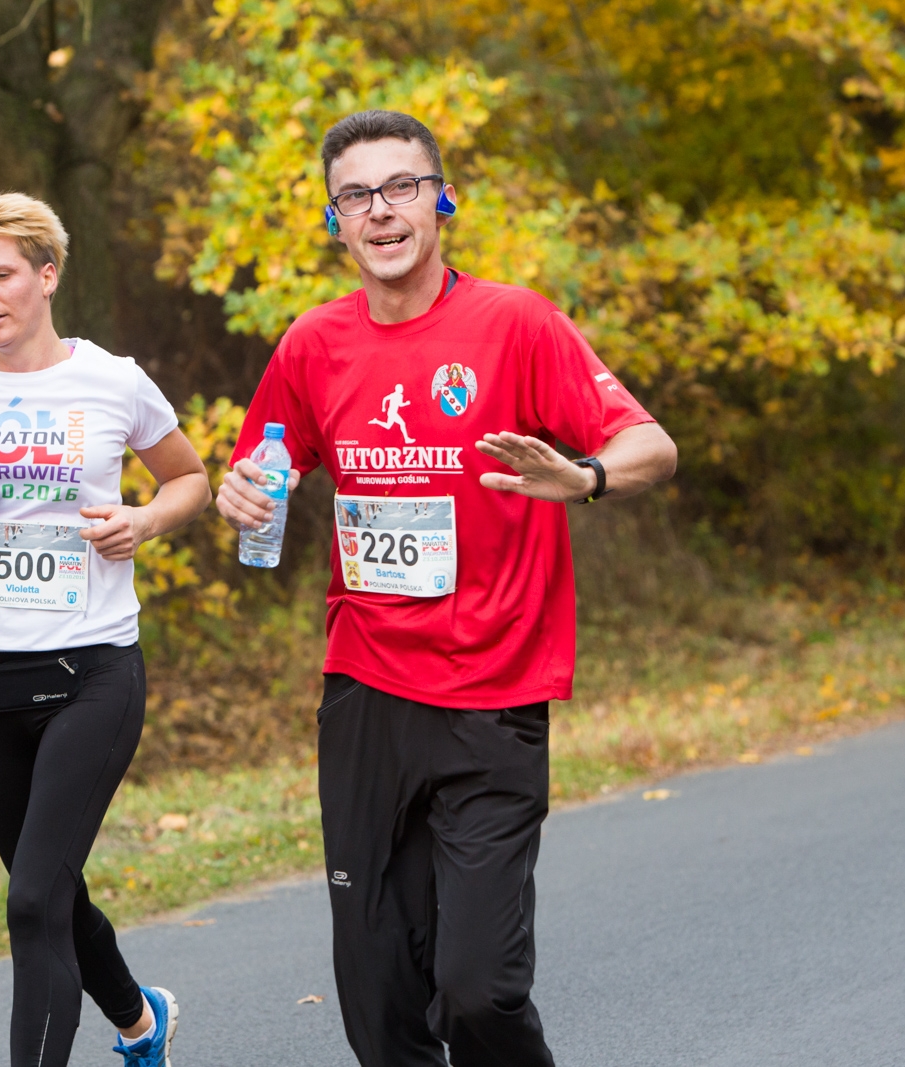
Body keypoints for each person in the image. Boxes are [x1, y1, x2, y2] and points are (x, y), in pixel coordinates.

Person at [215, 110, 678, 1067]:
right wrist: (241, 493)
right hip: (366, 695)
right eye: (356, 196)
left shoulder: (517, 323)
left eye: (402, 187)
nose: (381, 211)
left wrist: (583, 476)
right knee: (380, 1003)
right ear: (334, 222)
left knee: (478, 991)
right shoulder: (313, 344)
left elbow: (651, 446)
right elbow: (262, 471)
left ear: (442, 199)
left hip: (493, 699)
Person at [0, 192, 209, 1067]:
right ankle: (141, 1019)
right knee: (50, 892)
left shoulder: (111, 380)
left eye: (1, 274)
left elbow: (190, 479)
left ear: (47, 275)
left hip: (92, 673)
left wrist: (141, 519)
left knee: (31, 903)